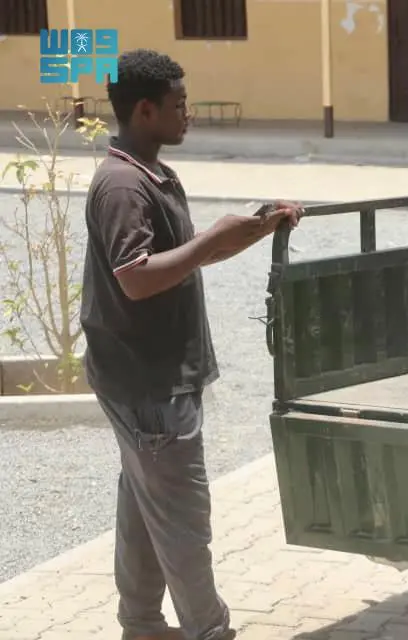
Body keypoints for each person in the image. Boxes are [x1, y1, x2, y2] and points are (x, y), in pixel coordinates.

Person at [80, 49, 304, 640]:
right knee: (182, 519)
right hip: (146, 381)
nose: (190, 115)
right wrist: (212, 240)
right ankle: (211, 630)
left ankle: (142, 625)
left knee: (144, 508)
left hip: (149, 376)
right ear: (146, 109)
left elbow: (185, 260)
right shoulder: (122, 185)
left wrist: (257, 227)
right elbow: (137, 275)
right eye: (179, 105)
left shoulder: (151, 172)